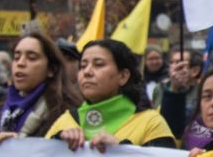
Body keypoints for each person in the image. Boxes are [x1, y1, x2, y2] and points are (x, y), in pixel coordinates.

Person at [46, 39, 175, 151]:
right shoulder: (66, 122)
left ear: (123, 76)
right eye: (83, 66)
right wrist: (57, 145)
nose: (87, 72)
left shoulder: (151, 123)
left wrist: (122, 151)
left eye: (98, 64)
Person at [0, 32, 80, 144]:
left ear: (51, 69)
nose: (20, 63)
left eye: (31, 58)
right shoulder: (3, 108)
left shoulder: (67, 114)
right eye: (16, 57)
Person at [156, 46, 203, 134]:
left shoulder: (203, 92)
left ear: (195, 71)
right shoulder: (159, 88)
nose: (174, 67)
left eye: (179, 63)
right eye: (172, 63)